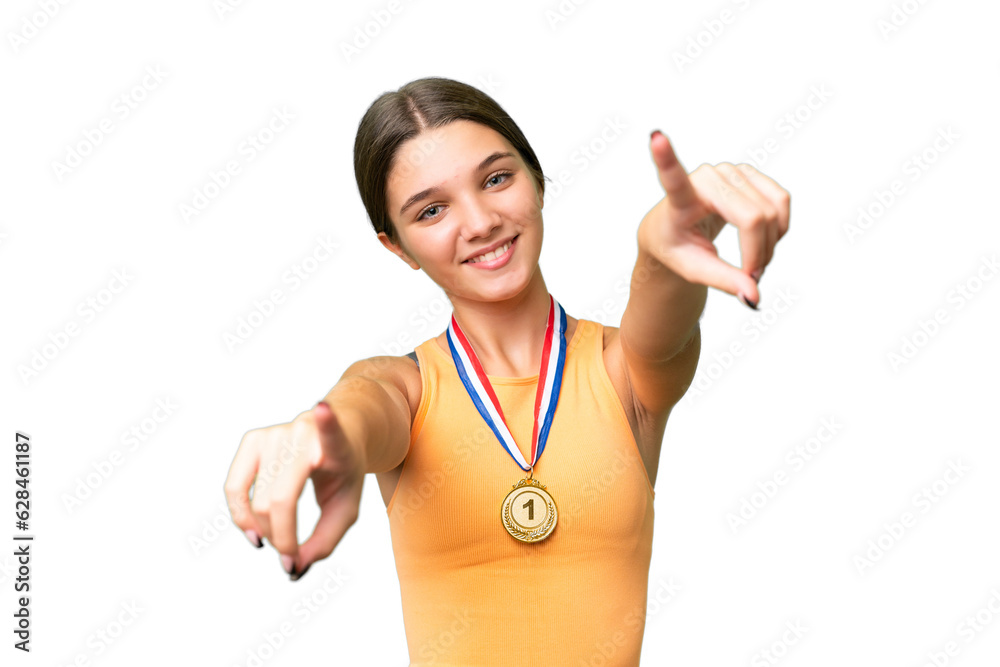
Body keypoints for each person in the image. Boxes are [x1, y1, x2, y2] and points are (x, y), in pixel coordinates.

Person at [224, 76, 789, 665]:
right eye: (433, 210)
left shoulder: (620, 373)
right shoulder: (407, 389)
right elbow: (362, 408)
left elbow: (662, 322)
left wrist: (665, 256)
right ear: (398, 249)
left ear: (537, 181)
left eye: (496, 179)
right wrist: (323, 435)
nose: (480, 221)